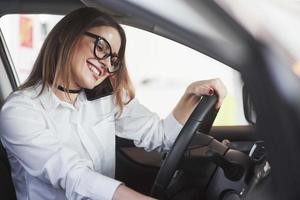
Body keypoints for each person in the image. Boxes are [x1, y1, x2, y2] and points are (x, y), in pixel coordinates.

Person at [0, 7, 227, 200]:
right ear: (66, 35)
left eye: (114, 59)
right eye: (101, 47)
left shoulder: (106, 98)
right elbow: (73, 175)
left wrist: (190, 94)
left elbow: (162, 138)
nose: (106, 65)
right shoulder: (20, 111)